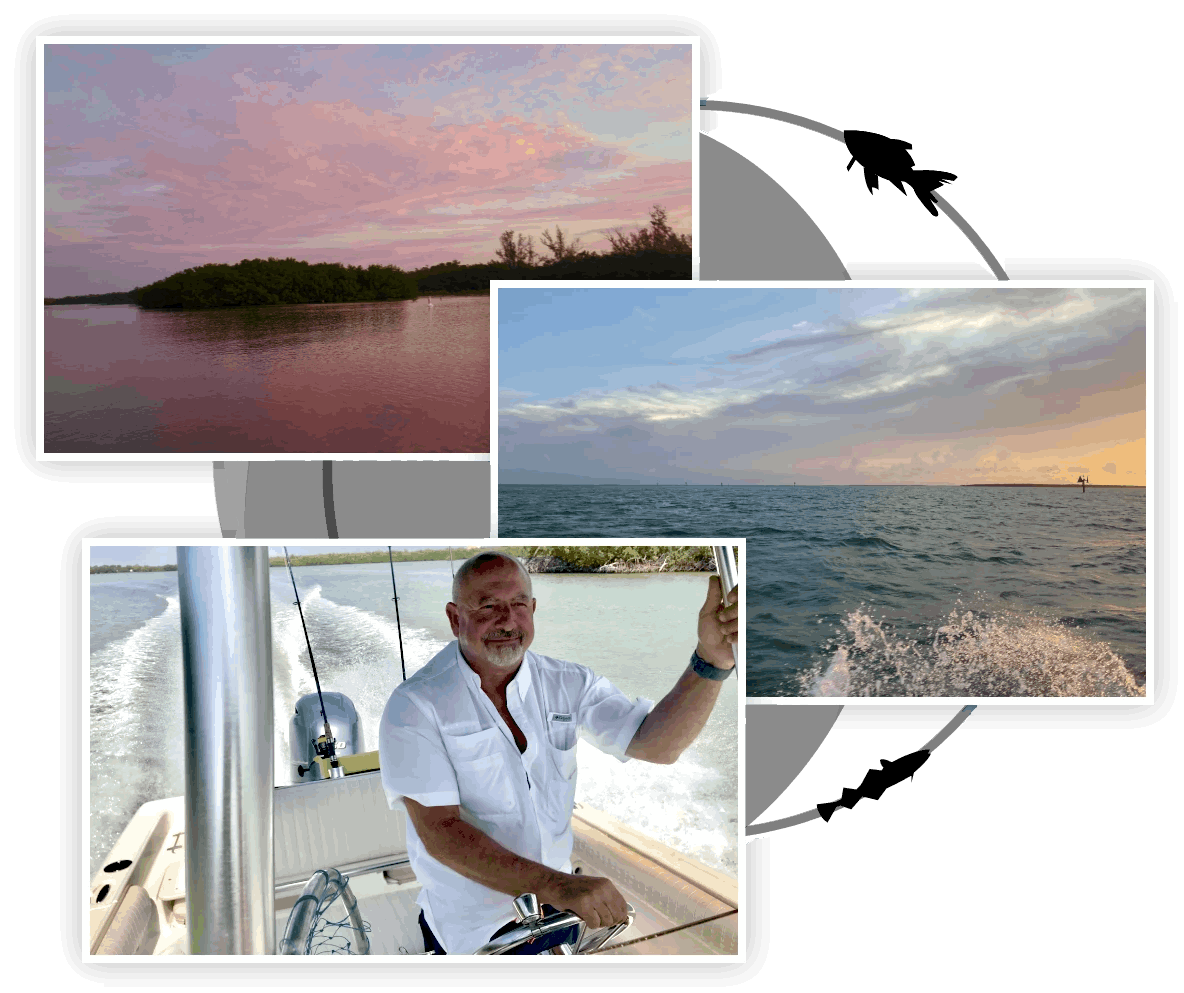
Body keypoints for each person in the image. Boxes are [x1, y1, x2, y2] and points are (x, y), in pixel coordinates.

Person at [377, 550, 739, 955]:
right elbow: (440, 833)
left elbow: (657, 744)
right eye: (488, 606)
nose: (507, 620)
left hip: (557, 914)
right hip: (474, 930)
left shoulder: (569, 683)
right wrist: (558, 884)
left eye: (518, 605)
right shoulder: (414, 706)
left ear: (532, 610)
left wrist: (712, 659)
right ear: (454, 617)